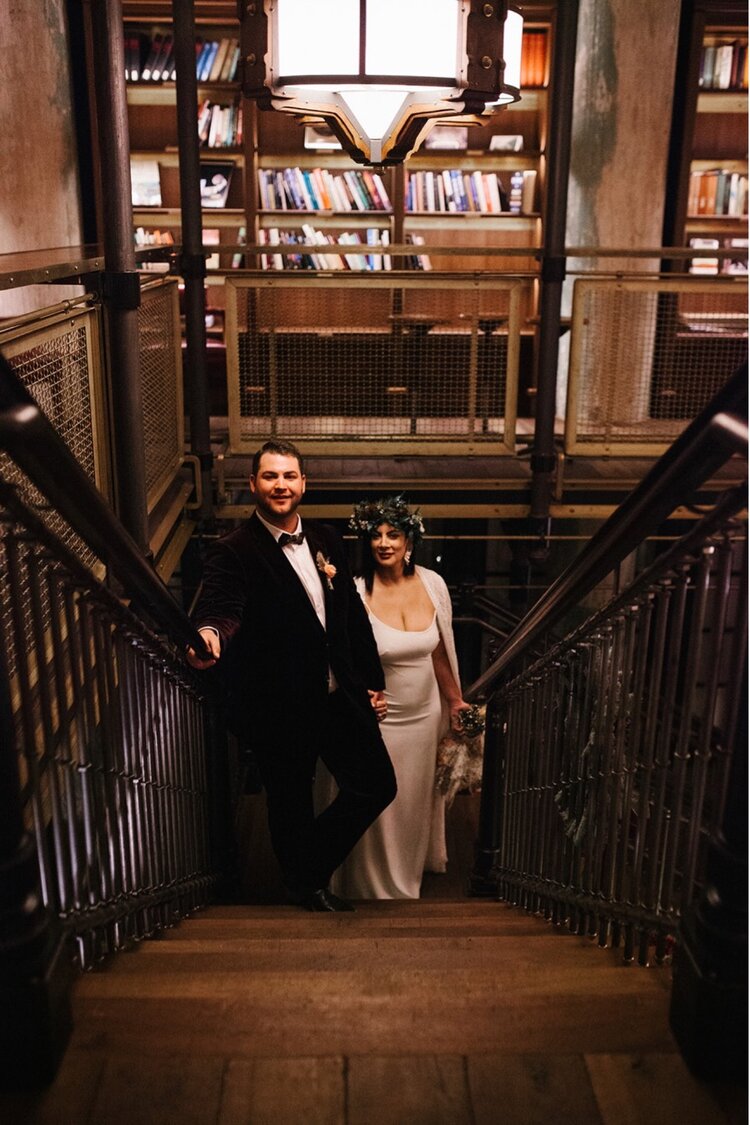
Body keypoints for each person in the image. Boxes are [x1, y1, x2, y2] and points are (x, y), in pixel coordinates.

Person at [186, 440, 396, 912]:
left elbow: (351, 616)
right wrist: (210, 633)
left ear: (304, 483)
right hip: (279, 704)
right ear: (253, 484)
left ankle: (301, 868)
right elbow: (221, 605)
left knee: (376, 784)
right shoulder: (233, 551)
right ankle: (307, 885)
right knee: (290, 800)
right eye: (270, 476)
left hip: (338, 695)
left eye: (288, 476)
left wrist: (371, 681)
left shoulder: (326, 539)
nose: (280, 485)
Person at [321, 495, 469, 899]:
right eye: (376, 535)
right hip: (380, 716)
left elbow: (440, 651)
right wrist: (361, 697)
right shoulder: (355, 590)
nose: (384, 543)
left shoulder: (433, 584)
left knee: (412, 800)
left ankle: (407, 878)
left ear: (409, 542)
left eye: (393, 535)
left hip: (425, 715)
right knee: (378, 799)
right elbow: (342, 658)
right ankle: (370, 886)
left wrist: (455, 701)